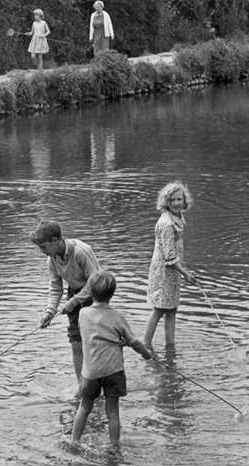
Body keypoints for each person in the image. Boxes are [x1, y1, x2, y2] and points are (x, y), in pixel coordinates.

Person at [71, 271, 153, 443]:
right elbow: (134, 342)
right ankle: (114, 446)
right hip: (113, 371)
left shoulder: (83, 314)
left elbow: (95, 333)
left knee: (84, 407)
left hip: (90, 372)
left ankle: (74, 441)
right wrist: (146, 354)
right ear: (112, 293)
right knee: (113, 411)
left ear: (91, 293)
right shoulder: (117, 317)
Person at [32, 220, 101, 383]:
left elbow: (95, 282)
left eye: (43, 247)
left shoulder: (81, 252)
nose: (42, 252)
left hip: (96, 295)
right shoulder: (52, 259)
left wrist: (75, 301)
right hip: (74, 293)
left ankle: (97, 380)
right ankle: (82, 385)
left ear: (55, 241)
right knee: (76, 343)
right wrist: (50, 311)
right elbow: (56, 288)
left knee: (93, 342)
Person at [143, 181, 196, 350]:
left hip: (173, 272)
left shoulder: (178, 217)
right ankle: (145, 345)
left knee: (172, 309)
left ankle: (170, 347)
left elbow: (176, 249)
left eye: (179, 199)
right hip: (163, 272)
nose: (176, 203)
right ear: (166, 202)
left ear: (184, 201)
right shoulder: (166, 223)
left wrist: (184, 269)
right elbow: (169, 257)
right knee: (159, 309)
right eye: (172, 200)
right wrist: (185, 273)